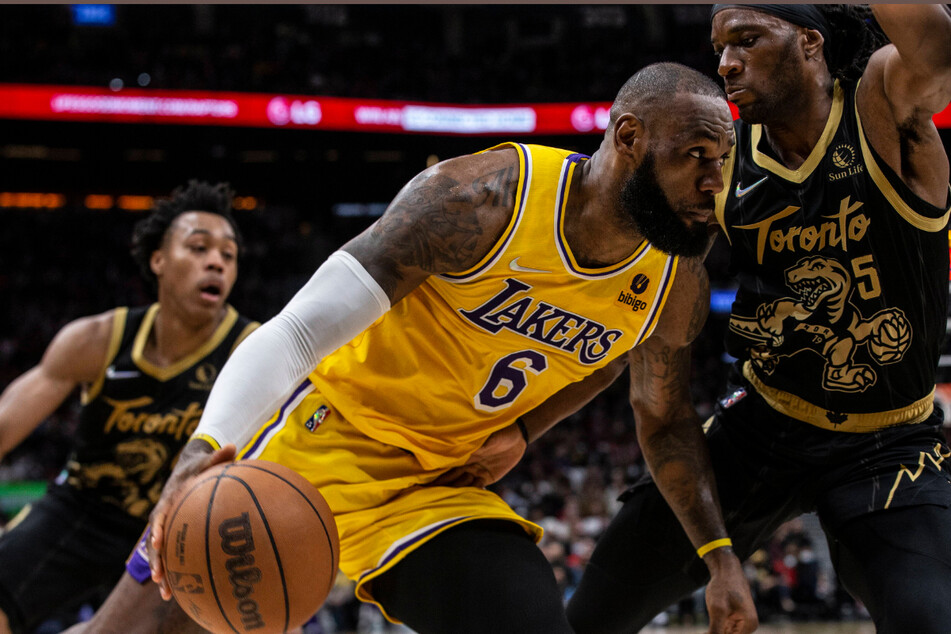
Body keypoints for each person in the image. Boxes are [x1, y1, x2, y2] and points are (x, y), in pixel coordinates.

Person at [121, 62, 741, 634]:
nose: (715, 182)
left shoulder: (675, 283)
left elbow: (629, 377)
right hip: (314, 447)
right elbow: (298, 333)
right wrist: (200, 451)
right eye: (696, 156)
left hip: (435, 485)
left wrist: (528, 428)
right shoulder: (480, 201)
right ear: (629, 137)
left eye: (723, 159)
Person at [566, 5, 951, 633]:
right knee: (590, 614)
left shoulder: (878, 104)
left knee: (930, 620)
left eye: (746, 40)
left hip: (890, 441)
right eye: (718, 47)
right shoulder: (722, 159)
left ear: (809, 42)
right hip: (761, 427)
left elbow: (936, 50)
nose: (725, 63)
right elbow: (658, 318)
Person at [0, 181, 258, 634]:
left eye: (228, 255)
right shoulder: (97, 339)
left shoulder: (251, 350)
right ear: (158, 260)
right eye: (198, 247)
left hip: (182, 531)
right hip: (83, 509)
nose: (216, 260)